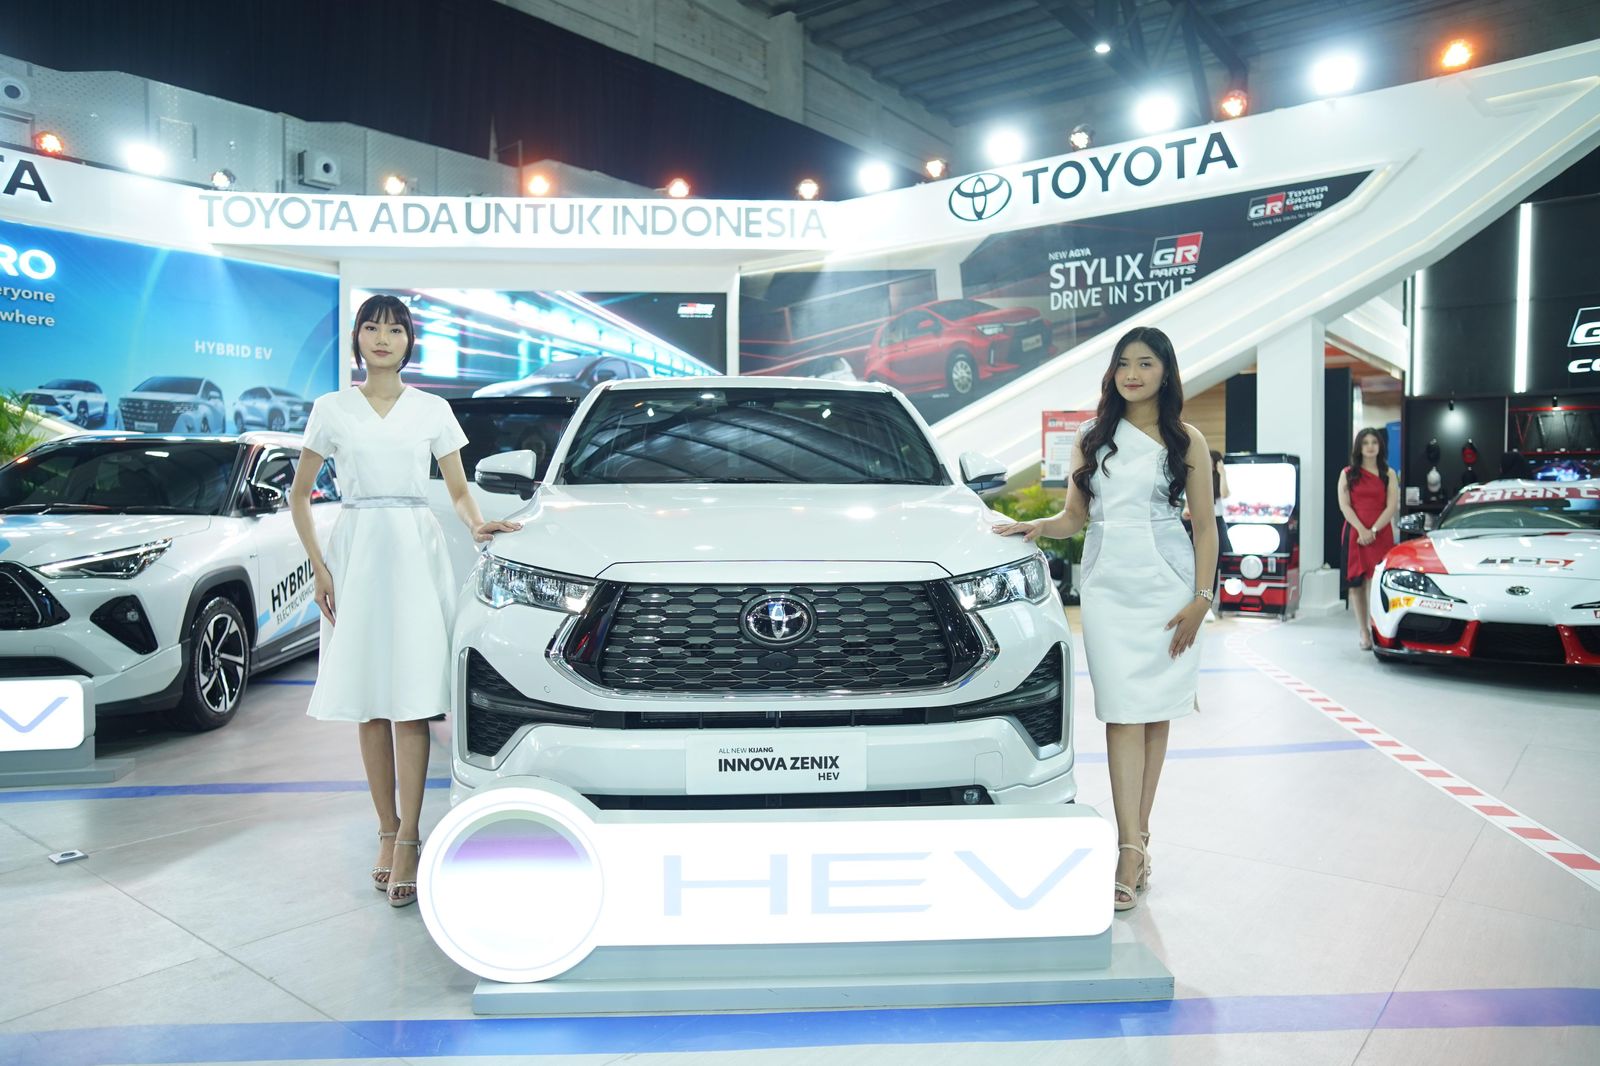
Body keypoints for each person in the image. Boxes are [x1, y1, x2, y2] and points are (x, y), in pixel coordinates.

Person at [288, 295, 521, 908]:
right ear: (357, 338)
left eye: (394, 329)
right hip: (357, 552)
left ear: (409, 340)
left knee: (412, 704)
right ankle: (386, 832)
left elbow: (459, 488)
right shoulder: (331, 408)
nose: (382, 337)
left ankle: (412, 838)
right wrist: (319, 566)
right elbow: (300, 494)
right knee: (370, 703)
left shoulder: (432, 409)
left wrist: (476, 524)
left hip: (416, 553)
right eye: (372, 327)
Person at [993, 326, 1216, 912]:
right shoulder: (1092, 438)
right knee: (1121, 712)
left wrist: (1201, 599)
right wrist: (1040, 527)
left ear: (1166, 372)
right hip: (1109, 587)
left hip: (1168, 584)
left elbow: (1205, 526)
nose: (1133, 374)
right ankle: (1130, 844)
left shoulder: (1187, 440)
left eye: (1145, 363)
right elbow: (1075, 517)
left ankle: (1133, 848)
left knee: (1155, 713)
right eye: (1123, 364)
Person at [1337, 426, 1399, 650]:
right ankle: (1363, 632)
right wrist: (1362, 530)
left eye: (1374, 442)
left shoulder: (1388, 473)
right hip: (1354, 532)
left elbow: (1391, 506)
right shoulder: (1347, 473)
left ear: (1380, 446)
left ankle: (1377, 629)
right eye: (1365, 443)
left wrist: (1373, 530)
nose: (1370, 446)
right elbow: (1344, 506)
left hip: (1381, 532)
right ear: (1359, 447)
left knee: (1376, 584)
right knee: (1356, 585)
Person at [1208, 450, 1231, 621]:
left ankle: (1209, 605)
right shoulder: (1198, 477)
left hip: (1216, 522)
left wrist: (1222, 473)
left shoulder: (1219, 478)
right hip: (1199, 522)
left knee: (1216, 565)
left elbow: (1224, 494)